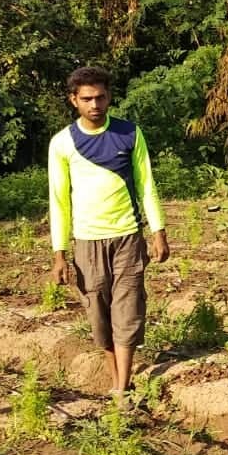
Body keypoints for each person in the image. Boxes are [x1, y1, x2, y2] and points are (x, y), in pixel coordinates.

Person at [49, 66, 170, 411]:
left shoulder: (130, 133)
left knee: (128, 310)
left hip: (128, 238)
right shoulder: (62, 143)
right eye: (87, 98)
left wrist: (157, 230)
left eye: (100, 97)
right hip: (87, 242)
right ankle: (116, 377)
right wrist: (59, 252)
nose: (95, 104)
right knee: (99, 314)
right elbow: (58, 200)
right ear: (74, 101)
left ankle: (121, 387)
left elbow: (146, 184)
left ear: (109, 97)